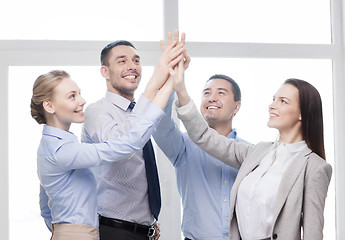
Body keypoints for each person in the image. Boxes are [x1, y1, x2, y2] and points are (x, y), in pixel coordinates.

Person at [32, 42, 183, 240]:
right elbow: (126, 144)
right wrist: (163, 82)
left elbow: (46, 204)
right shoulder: (63, 147)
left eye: (136, 60)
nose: (82, 101)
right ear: (49, 106)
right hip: (107, 231)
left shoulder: (62, 146)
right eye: (72, 96)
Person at [170, 59, 332, 240]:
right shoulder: (258, 152)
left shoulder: (315, 167)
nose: (272, 105)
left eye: (283, 101)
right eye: (273, 99)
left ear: (302, 113)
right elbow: (204, 137)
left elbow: (313, 233)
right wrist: (180, 89)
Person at [81, 33, 189, 240]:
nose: (132, 66)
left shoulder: (141, 110)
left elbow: (161, 120)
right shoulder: (97, 111)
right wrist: (154, 84)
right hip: (113, 230)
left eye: (136, 61)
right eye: (122, 61)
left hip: (145, 232)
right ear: (105, 71)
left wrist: (172, 78)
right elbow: (123, 145)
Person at [153, 71, 250, 239]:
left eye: (221, 92)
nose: (211, 98)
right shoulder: (183, 146)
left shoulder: (249, 152)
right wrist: (172, 82)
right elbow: (160, 124)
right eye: (207, 93)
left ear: (236, 106)